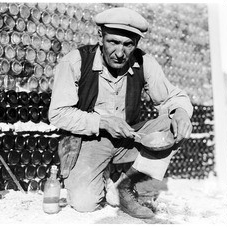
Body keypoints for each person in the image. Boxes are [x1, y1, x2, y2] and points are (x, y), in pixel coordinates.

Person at [48, 7, 193, 219]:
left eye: (128, 44)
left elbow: (173, 97)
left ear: (136, 44)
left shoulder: (144, 62)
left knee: (173, 126)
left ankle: (127, 187)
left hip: (128, 137)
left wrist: (180, 112)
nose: (119, 52)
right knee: (84, 203)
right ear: (100, 37)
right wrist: (103, 122)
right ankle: (106, 174)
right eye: (113, 42)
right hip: (90, 140)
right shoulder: (76, 61)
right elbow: (58, 113)